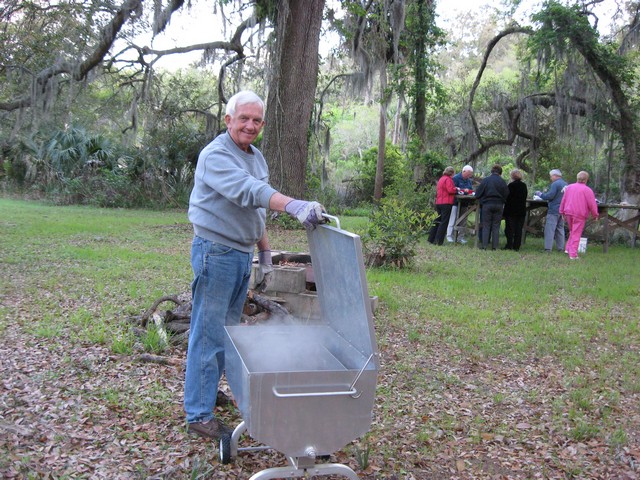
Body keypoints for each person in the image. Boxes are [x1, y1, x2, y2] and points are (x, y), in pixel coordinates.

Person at [185, 90, 326, 440]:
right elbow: (248, 191)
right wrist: (293, 205)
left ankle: (205, 391)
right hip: (215, 251)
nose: (250, 125)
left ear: (263, 125)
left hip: (240, 253)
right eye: (243, 118)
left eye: (256, 120)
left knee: (228, 332)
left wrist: (264, 252)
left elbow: (256, 208)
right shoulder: (216, 155)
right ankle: (198, 413)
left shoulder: (256, 156)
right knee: (208, 332)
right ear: (228, 119)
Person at [559, 171, 599, 260]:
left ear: (577, 178)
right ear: (586, 180)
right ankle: (573, 254)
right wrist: (595, 215)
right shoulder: (587, 190)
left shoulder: (569, 187)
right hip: (580, 213)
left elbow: (563, 200)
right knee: (576, 233)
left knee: (572, 231)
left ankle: (568, 248)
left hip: (568, 212)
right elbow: (592, 204)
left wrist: (561, 211)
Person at [475, 164, 509, 250]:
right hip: (499, 205)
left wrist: (482, 198)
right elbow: (507, 194)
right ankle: (494, 247)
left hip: (487, 204)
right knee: (496, 226)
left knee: (486, 225)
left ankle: (484, 246)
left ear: (491, 171)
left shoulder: (486, 180)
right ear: (500, 173)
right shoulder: (502, 181)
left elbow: (477, 194)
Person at [535, 169, 568, 252]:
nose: (550, 178)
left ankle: (548, 248)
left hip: (554, 209)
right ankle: (560, 248)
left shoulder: (555, 184)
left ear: (555, 175)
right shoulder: (565, 184)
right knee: (560, 229)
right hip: (562, 210)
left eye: (551, 176)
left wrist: (540, 194)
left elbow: (550, 196)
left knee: (550, 229)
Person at [428, 166, 457, 245]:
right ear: (451, 173)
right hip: (446, 202)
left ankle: (431, 239)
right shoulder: (448, 179)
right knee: (444, 222)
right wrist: (456, 189)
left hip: (439, 202)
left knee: (437, 221)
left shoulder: (441, 179)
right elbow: (450, 190)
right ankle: (438, 241)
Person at [446, 165, 474, 243]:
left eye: (470, 174)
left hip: (465, 203)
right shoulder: (455, 178)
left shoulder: (468, 180)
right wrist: (462, 190)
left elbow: (470, 189)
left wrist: (469, 191)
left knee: (463, 220)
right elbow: (453, 189)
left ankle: (460, 237)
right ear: (463, 171)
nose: (469, 175)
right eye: (468, 174)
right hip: (455, 202)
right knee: (453, 219)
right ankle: (449, 235)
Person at [502, 169, 528, 251]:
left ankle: (509, 245)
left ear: (512, 176)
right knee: (518, 229)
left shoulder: (511, 185)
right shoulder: (524, 186)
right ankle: (517, 246)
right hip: (521, 210)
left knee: (509, 229)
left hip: (511, 210)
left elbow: (507, 197)